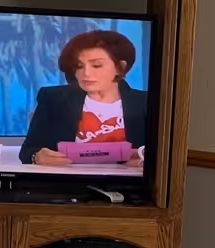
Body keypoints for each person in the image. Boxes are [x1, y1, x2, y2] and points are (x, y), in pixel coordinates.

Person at [19, 30, 148, 167]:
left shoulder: (145, 102)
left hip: (128, 184)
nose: (86, 73)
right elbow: (28, 152)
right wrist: (37, 157)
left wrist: (144, 157)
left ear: (120, 67)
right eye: (79, 66)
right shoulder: (53, 99)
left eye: (97, 65)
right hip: (65, 182)